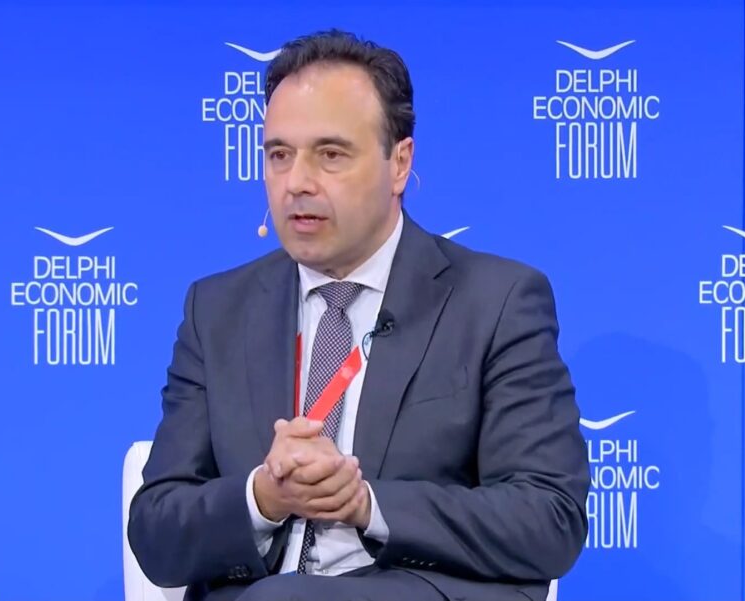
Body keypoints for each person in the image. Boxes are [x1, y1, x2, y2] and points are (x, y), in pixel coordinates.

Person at [128, 29, 590, 601]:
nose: (297, 183)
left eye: (331, 154)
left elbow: (549, 519)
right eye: (279, 155)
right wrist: (262, 498)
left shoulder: (495, 302)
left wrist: (367, 503)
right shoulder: (217, 309)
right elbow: (156, 533)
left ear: (400, 163)